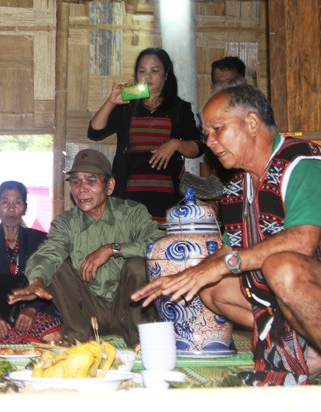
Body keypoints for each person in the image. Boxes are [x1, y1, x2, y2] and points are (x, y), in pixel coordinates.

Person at [132, 84, 321, 386]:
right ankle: (305, 354)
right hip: (295, 290)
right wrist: (185, 275)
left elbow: (303, 242)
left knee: (281, 267)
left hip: (304, 278)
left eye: (217, 129)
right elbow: (229, 250)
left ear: (252, 123)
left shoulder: (303, 161)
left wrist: (224, 264)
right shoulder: (236, 187)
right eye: (207, 133)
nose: (210, 142)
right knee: (213, 287)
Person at [8, 149, 164, 346]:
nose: (81, 189)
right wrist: (37, 280)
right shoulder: (66, 222)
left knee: (138, 265)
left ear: (109, 186)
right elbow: (48, 253)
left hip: (128, 307)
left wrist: (112, 249)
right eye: (76, 182)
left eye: (91, 181)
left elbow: (159, 245)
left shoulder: (132, 213)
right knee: (57, 266)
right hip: (89, 311)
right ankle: (81, 342)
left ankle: (140, 342)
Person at [88, 47, 203, 222]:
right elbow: (94, 132)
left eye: (155, 71)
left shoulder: (179, 108)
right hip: (127, 201)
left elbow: (197, 148)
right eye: (142, 71)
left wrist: (175, 144)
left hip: (167, 202)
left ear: (166, 74)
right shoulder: (127, 105)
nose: (147, 76)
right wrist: (111, 102)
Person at [0, 181, 63, 344]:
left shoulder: (40, 239)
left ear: (25, 208)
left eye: (17, 203)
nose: (11, 208)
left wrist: (32, 309)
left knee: (53, 336)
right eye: (5, 202)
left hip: (31, 313)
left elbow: (51, 279)